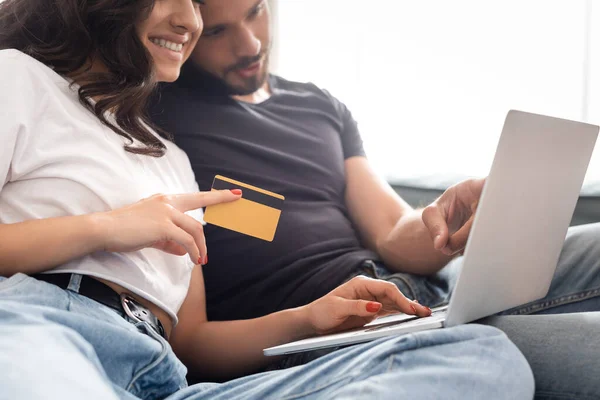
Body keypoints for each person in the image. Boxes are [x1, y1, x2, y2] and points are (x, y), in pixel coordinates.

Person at [0, 0, 536, 399]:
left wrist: (309, 318)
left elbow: (194, 343)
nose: (188, 20)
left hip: (165, 378)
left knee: (484, 357)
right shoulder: (20, 79)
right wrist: (106, 227)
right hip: (52, 326)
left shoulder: (171, 159)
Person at [149, 0, 600, 397]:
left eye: (256, 11)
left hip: (420, 288)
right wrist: (309, 318)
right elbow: (193, 341)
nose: (250, 45)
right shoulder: (161, 118)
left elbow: (390, 232)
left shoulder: (318, 105)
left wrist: (445, 221)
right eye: (218, 31)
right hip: (340, 328)